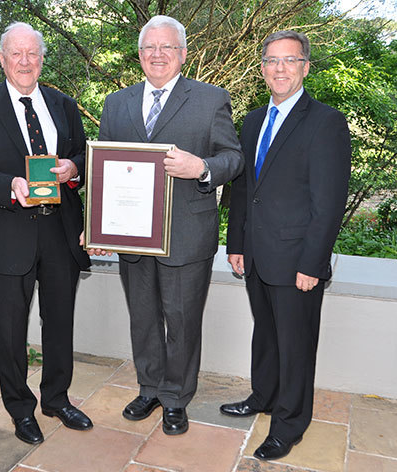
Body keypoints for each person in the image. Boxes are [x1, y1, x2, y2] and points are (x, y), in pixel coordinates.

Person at [98, 15, 243, 435]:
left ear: (182, 53)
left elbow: (232, 158)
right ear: (139, 55)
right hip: (132, 235)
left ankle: (176, 397)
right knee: (142, 318)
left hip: (186, 234)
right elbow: (104, 169)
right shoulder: (117, 103)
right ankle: (149, 388)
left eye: (167, 47)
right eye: (150, 48)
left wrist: (201, 167)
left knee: (181, 321)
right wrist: (99, 223)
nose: (158, 55)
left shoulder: (211, 99)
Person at [0, 22, 92, 445]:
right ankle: (20, 408)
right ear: (2, 59)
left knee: (59, 324)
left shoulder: (63, 104)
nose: (24, 61)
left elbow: (82, 156)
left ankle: (57, 398)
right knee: (12, 331)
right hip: (7, 232)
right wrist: (8, 187)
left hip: (59, 230)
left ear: (41, 59)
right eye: (16, 53)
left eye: (32, 53)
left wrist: (74, 169)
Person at [221, 30, 351, 460]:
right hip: (257, 255)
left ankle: (289, 424)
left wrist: (313, 262)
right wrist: (235, 241)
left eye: (289, 60)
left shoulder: (325, 122)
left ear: (305, 67)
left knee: (295, 345)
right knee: (267, 335)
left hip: (297, 259)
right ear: (262, 69)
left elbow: (328, 203)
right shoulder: (255, 119)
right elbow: (242, 188)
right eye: (272, 61)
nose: (280, 68)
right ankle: (263, 396)